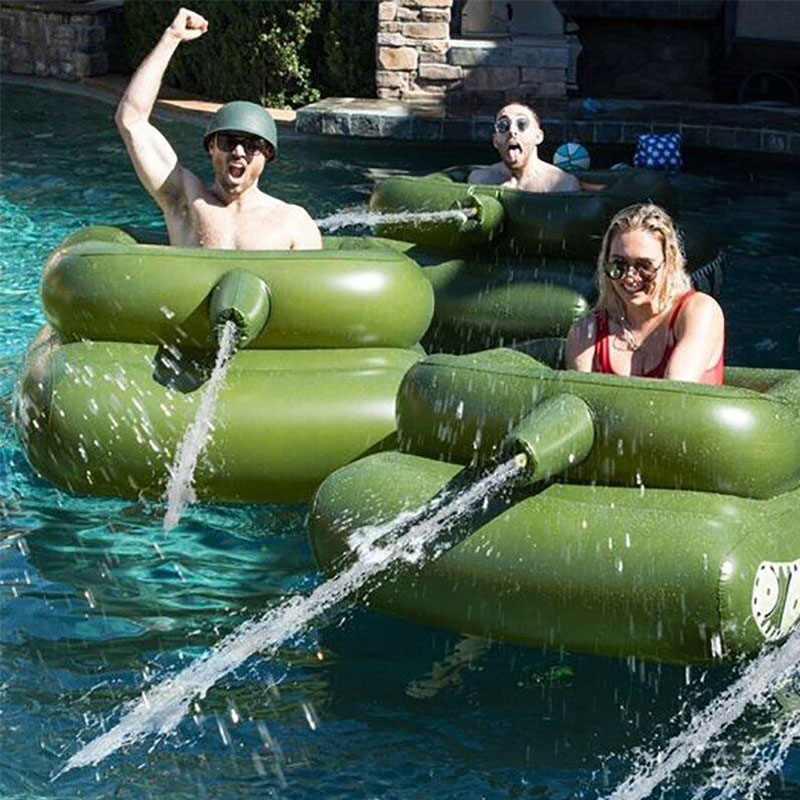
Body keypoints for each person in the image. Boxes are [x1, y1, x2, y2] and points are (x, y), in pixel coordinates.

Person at [115, 7, 321, 250]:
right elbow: (131, 120)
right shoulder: (186, 201)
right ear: (212, 147)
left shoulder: (293, 222)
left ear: (267, 155)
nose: (239, 152)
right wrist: (171, 37)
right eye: (228, 141)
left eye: (252, 145)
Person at [565, 203, 725, 384]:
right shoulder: (587, 331)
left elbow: (673, 395)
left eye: (644, 266)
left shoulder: (699, 312)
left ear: (669, 263)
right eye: (618, 265)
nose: (630, 277)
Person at [468, 102, 580, 193]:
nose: (512, 131)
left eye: (521, 124)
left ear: (538, 137)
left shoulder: (563, 185)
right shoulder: (479, 180)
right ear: (495, 141)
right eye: (503, 125)